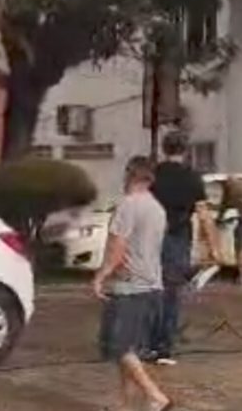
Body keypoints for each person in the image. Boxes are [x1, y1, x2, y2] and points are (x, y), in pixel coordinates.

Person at [93, 156, 173, 411]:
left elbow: (118, 247)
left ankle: (156, 396)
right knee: (130, 350)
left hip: (128, 286)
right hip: (152, 285)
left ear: (130, 174)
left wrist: (101, 275)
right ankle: (123, 405)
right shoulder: (157, 208)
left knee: (117, 346)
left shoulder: (128, 205)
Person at [148, 131, 220, 365]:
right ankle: (163, 348)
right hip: (177, 238)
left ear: (163, 148)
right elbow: (204, 215)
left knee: (149, 289)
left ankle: (144, 342)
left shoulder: (152, 175)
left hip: (149, 237)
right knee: (171, 292)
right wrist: (214, 248)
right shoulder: (192, 178)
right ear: (185, 150)